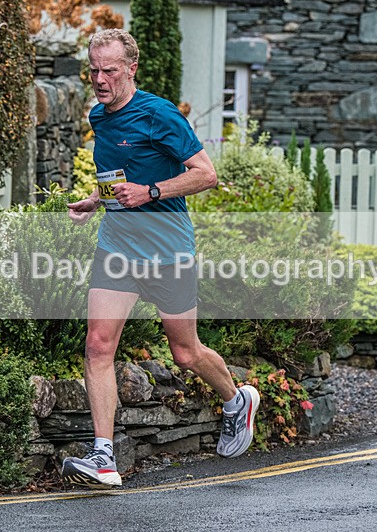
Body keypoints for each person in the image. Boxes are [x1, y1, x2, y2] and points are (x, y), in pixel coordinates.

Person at [62, 29, 260, 489]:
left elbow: (206, 175)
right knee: (98, 344)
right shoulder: (100, 116)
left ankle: (236, 401)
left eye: (109, 70)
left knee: (184, 351)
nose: (99, 79)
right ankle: (104, 457)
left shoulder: (159, 115)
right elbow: (119, 178)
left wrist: (151, 192)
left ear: (131, 68)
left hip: (168, 249)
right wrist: (97, 199)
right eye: (93, 70)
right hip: (117, 247)